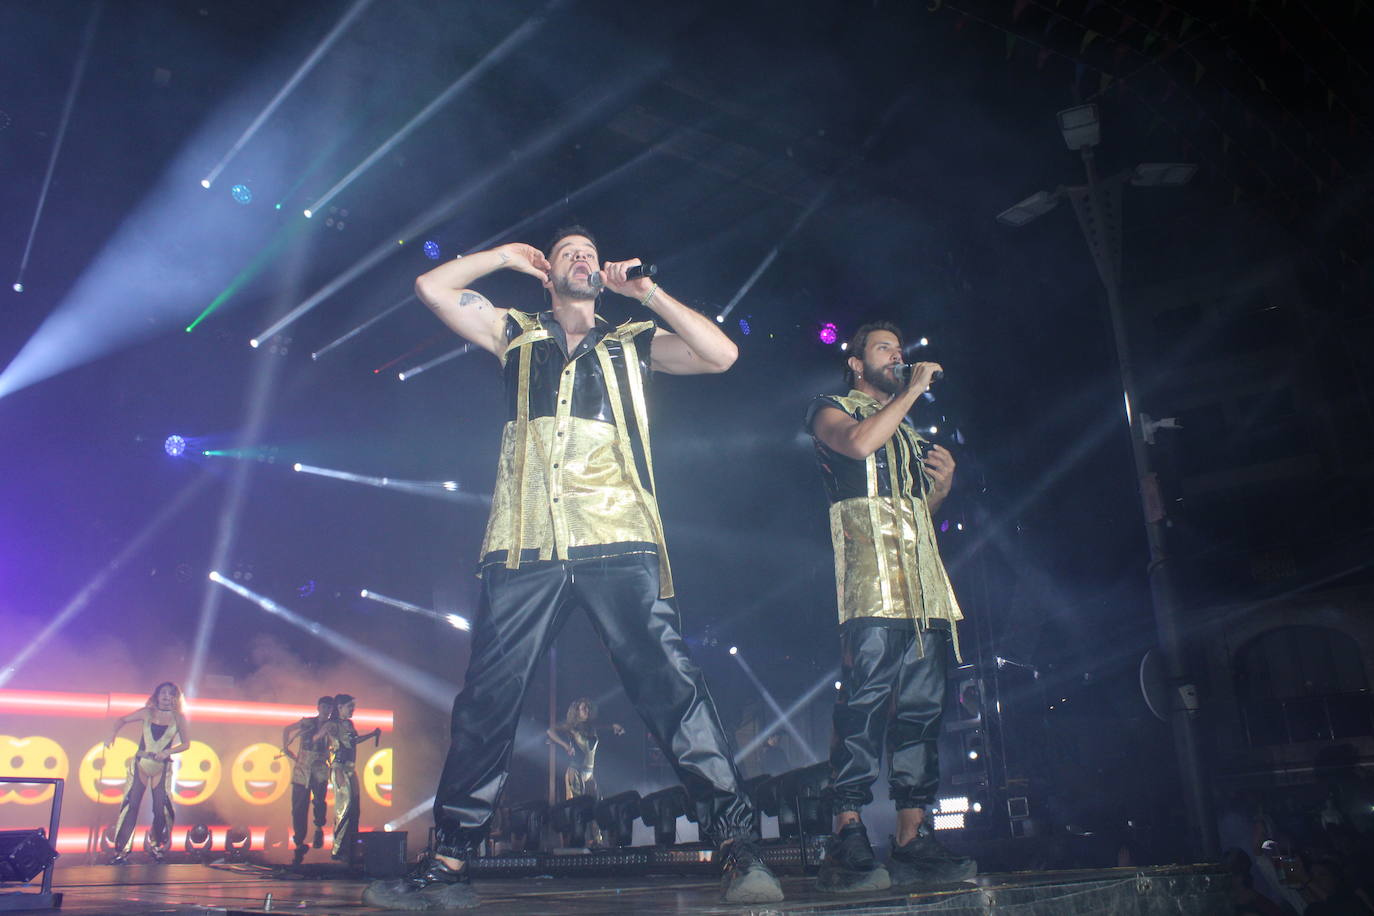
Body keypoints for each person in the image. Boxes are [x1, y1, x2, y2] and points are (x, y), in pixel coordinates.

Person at [363, 227, 783, 909]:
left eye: (590, 253)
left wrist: (646, 292)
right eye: (568, 253)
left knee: (671, 691)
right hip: (525, 541)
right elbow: (431, 288)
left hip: (617, 534)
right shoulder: (515, 334)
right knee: (488, 702)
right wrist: (503, 257)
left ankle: (737, 848)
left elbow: (722, 354)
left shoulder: (631, 342)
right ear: (548, 274)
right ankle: (448, 861)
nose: (584, 258)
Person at [805, 321, 975, 893]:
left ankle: (912, 836)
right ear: (856, 363)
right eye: (884, 349)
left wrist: (942, 490)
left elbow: (915, 510)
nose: (897, 356)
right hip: (870, 576)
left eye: (900, 351)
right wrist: (909, 393)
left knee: (922, 709)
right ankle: (847, 831)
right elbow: (855, 445)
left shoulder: (905, 431)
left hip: (923, 581)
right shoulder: (831, 408)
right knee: (865, 700)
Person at [106, 682, 190, 864]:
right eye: (163, 693)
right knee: (131, 805)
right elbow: (121, 719)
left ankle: (157, 846)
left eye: (171, 694)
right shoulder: (147, 713)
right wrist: (111, 735)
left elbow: (186, 744)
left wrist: (167, 752)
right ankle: (122, 851)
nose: (167, 697)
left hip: (162, 766)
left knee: (161, 808)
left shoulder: (179, 718)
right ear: (157, 696)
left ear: (175, 698)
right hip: (141, 763)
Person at [326, 694, 380, 862]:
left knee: (354, 809)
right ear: (340, 707)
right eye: (349, 706)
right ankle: (338, 850)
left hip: (350, 769)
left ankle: (350, 848)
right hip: (340, 768)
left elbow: (353, 741)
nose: (352, 710)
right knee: (344, 809)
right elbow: (345, 743)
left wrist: (371, 735)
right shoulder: (333, 725)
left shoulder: (348, 724)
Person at [282, 695, 335, 864]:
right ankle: (299, 843)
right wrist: (286, 748)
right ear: (318, 707)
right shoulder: (307, 723)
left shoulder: (331, 726)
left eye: (329, 708)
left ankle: (319, 828)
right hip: (302, 767)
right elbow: (287, 729)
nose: (327, 710)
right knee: (298, 806)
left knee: (319, 801)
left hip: (319, 767)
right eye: (324, 707)